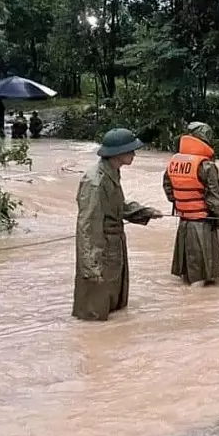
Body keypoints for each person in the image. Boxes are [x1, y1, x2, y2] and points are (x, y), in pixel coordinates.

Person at [73, 128, 163, 321]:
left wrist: (144, 212)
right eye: (131, 150)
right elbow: (87, 227)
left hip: (113, 247)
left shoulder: (112, 172)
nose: (134, 154)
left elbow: (117, 207)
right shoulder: (95, 182)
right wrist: (90, 266)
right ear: (118, 153)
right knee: (94, 314)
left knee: (114, 310)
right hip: (101, 250)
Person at [163, 122, 219, 285]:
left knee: (188, 279)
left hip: (184, 223)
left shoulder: (174, 162)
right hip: (203, 225)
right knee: (202, 281)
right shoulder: (206, 166)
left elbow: (168, 188)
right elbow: (216, 201)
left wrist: (182, 203)